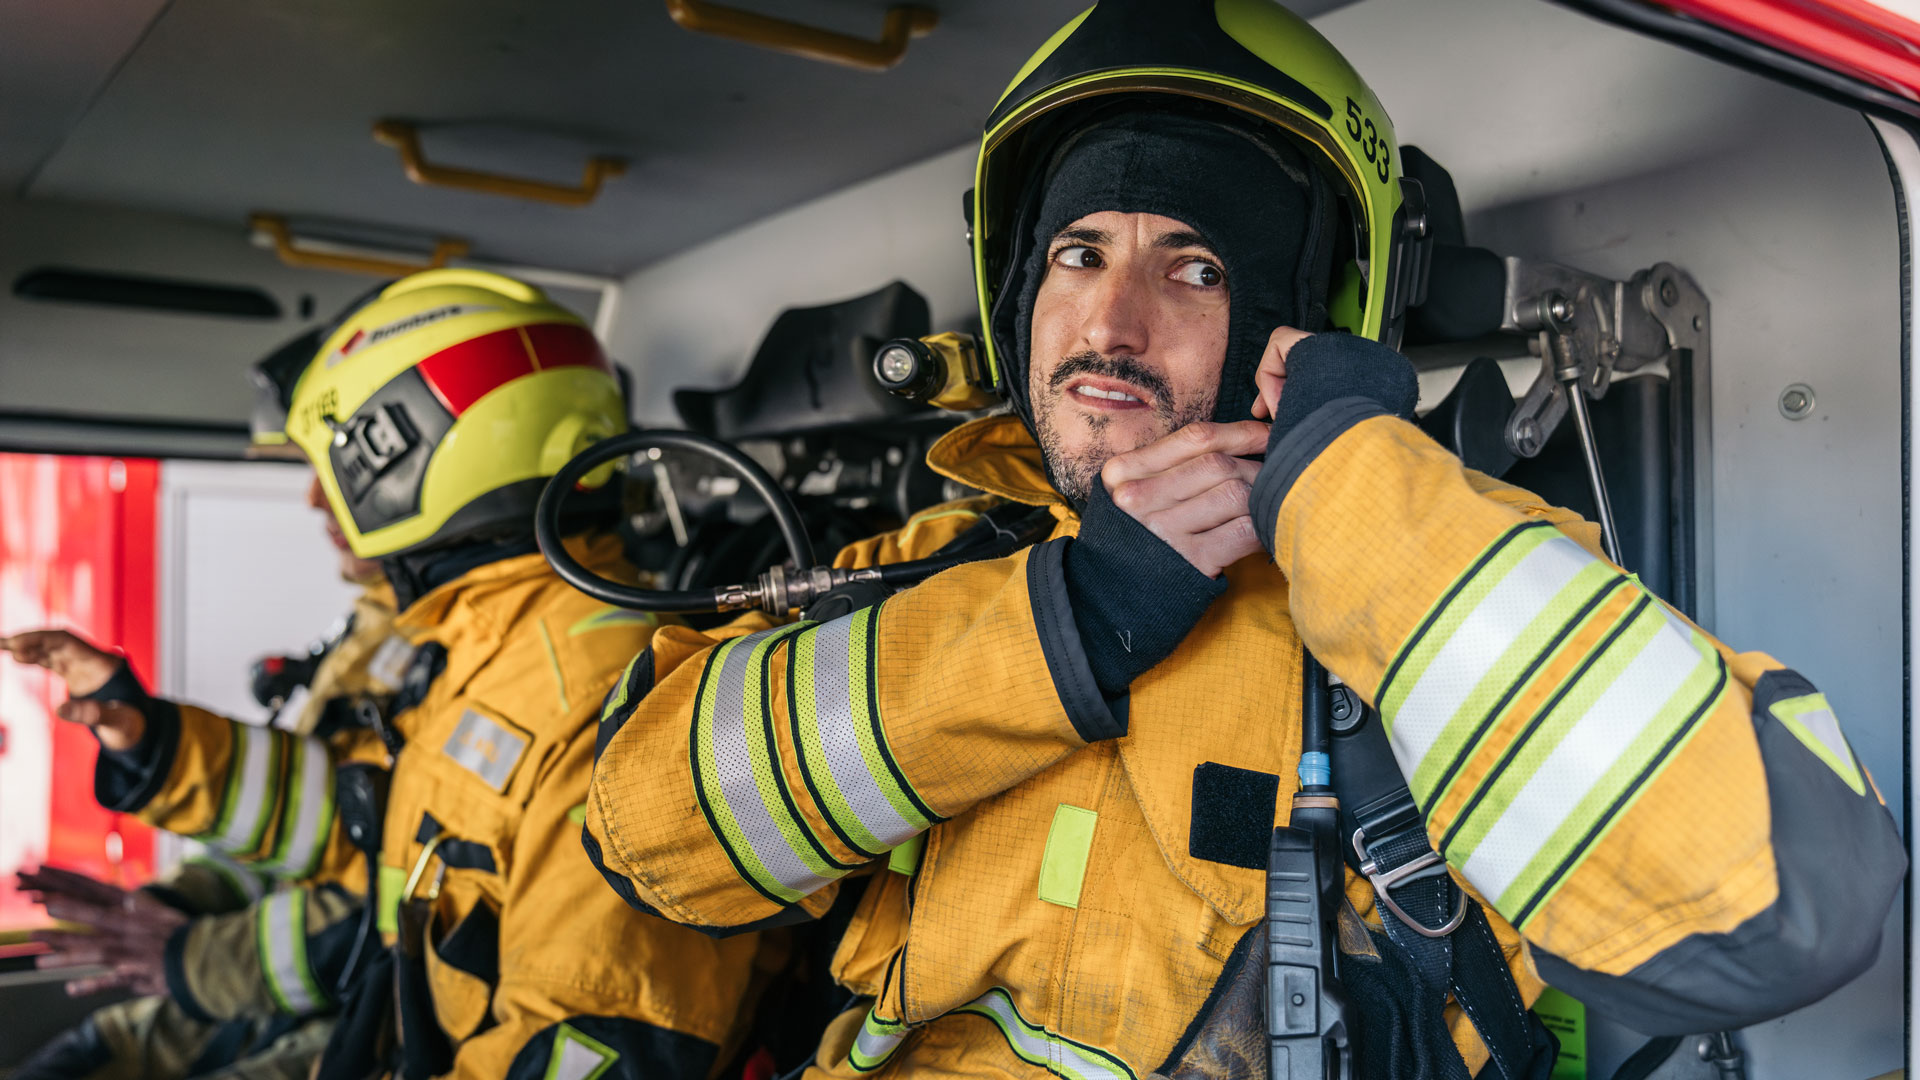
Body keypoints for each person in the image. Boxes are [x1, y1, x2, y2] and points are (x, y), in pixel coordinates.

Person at [580, 2, 1907, 1078]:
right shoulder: (923, 575)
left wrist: (1350, 496)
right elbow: (642, 839)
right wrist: (1066, 619)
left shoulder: (1441, 576)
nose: (1111, 323)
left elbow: (1779, 920)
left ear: (1300, 318)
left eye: (1197, 269)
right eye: (1080, 254)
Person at [17, 269, 770, 1080]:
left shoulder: (608, 696)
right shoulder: (476, 647)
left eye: (334, 468)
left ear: (415, 457)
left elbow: (583, 1046)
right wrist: (157, 742)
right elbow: (362, 822)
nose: (314, 501)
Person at [5, 328, 416, 1080]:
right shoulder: (376, 626)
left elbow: (388, 890)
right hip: (300, 981)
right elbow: (309, 829)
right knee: (105, 1049)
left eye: (336, 467)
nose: (315, 497)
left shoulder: (456, 651)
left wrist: (188, 957)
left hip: (367, 1005)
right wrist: (177, 904)